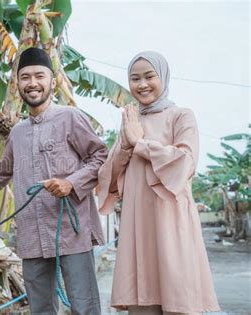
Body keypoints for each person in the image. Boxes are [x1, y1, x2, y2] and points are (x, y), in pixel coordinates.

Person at [0, 47, 107, 315]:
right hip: (31, 234)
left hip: (70, 231)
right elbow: (0, 172)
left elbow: (100, 156)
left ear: (52, 81)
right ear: (17, 83)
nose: (32, 83)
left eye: (39, 76)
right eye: (25, 77)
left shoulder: (70, 117)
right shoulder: (17, 132)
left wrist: (71, 183)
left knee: (84, 307)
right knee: (40, 309)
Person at [97, 51, 220, 315]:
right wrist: (127, 144)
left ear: (162, 77)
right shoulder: (131, 121)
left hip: (171, 221)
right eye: (134, 78)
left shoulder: (181, 116)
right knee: (142, 303)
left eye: (149, 76)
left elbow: (185, 163)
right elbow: (109, 175)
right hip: (137, 224)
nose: (142, 85)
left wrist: (140, 143)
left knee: (178, 298)